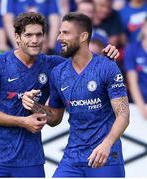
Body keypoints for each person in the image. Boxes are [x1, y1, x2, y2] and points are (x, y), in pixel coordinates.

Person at [0, 12, 120, 177]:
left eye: (39, 34)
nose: (34, 40)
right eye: (28, 35)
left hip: (30, 160)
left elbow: (85, 62)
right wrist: (23, 121)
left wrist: (107, 55)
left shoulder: (54, 65)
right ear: (17, 37)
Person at [22, 12, 130, 177]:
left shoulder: (107, 67)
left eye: (65, 33)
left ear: (83, 36)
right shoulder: (58, 73)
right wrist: (33, 105)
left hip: (106, 157)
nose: (59, 38)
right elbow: (55, 118)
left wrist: (106, 144)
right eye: (59, 32)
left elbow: (123, 115)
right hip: (72, 159)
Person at [124, 17, 147, 119]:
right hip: (138, 104)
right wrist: (142, 108)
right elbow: (132, 82)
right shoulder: (132, 49)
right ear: (143, 27)